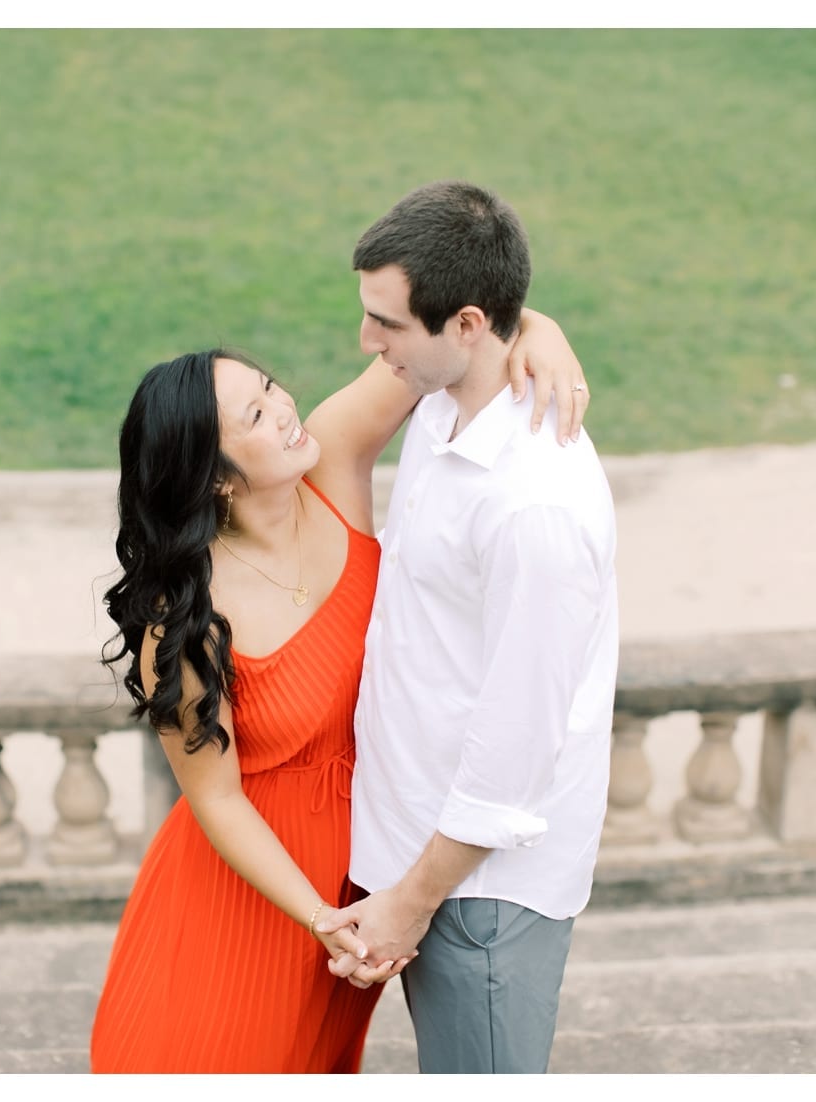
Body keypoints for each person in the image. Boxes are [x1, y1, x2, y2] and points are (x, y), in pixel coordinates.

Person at [89, 308, 590, 1070]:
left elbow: (438, 337)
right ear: (215, 476)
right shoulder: (184, 619)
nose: (285, 408)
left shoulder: (331, 466)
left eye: (269, 387)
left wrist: (539, 330)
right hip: (253, 903)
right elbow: (216, 799)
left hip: (357, 878)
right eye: (255, 415)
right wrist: (321, 917)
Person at [316, 181, 619, 1074]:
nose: (368, 345)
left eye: (388, 325)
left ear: (470, 324)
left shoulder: (537, 509)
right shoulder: (445, 385)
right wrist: (540, 324)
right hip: (416, 847)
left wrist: (411, 901)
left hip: (476, 891)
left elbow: (516, 752)